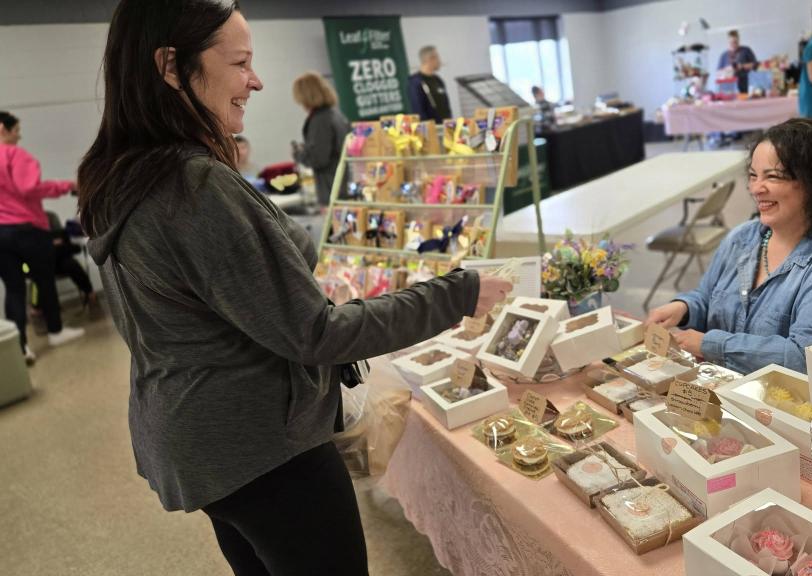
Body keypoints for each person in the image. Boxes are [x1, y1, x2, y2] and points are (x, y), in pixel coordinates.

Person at [76, 2, 511, 575]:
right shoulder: (194, 186)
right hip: (262, 450)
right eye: (240, 63)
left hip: (201, 442)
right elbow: (316, 334)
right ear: (171, 67)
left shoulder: (122, 175)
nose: (255, 81)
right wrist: (456, 295)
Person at [646, 118, 812, 374]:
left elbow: (809, 360)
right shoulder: (743, 237)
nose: (755, 188)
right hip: (719, 387)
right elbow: (707, 297)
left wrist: (711, 345)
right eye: (753, 176)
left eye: (772, 177)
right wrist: (684, 308)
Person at [0, 111, 85, 364]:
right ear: (3, 128)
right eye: (16, 130)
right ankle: (55, 332)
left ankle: (20, 347)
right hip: (28, 231)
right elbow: (28, 188)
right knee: (44, 280)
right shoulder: (16, 155)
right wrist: (67, 186)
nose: (19, 136)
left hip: (1, 234)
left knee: (14, 289)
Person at [291, 72, 349, 207]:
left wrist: (298, 154)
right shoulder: (335, 114)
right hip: (342, 185)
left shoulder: (320, 120)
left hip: (332, 189)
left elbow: (318, 159)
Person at [408, 45, 452, 124]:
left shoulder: (438, 80)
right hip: (431, 128)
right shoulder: (416, 82)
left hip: (446, 126)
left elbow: (446, 107)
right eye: (437, 57)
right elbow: (418, 111)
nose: (440, 61)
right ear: (431, 59)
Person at [718, 30, 758, 94]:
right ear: (728, 41)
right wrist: (727, 70)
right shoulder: (724, 55)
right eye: (731, 43)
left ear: (739, 40)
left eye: (735, 42)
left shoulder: (746, 50)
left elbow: (755, 65)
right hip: (729, 89)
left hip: (745, 86)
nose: (733, 44)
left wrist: (742, 66)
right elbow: (719, 73)